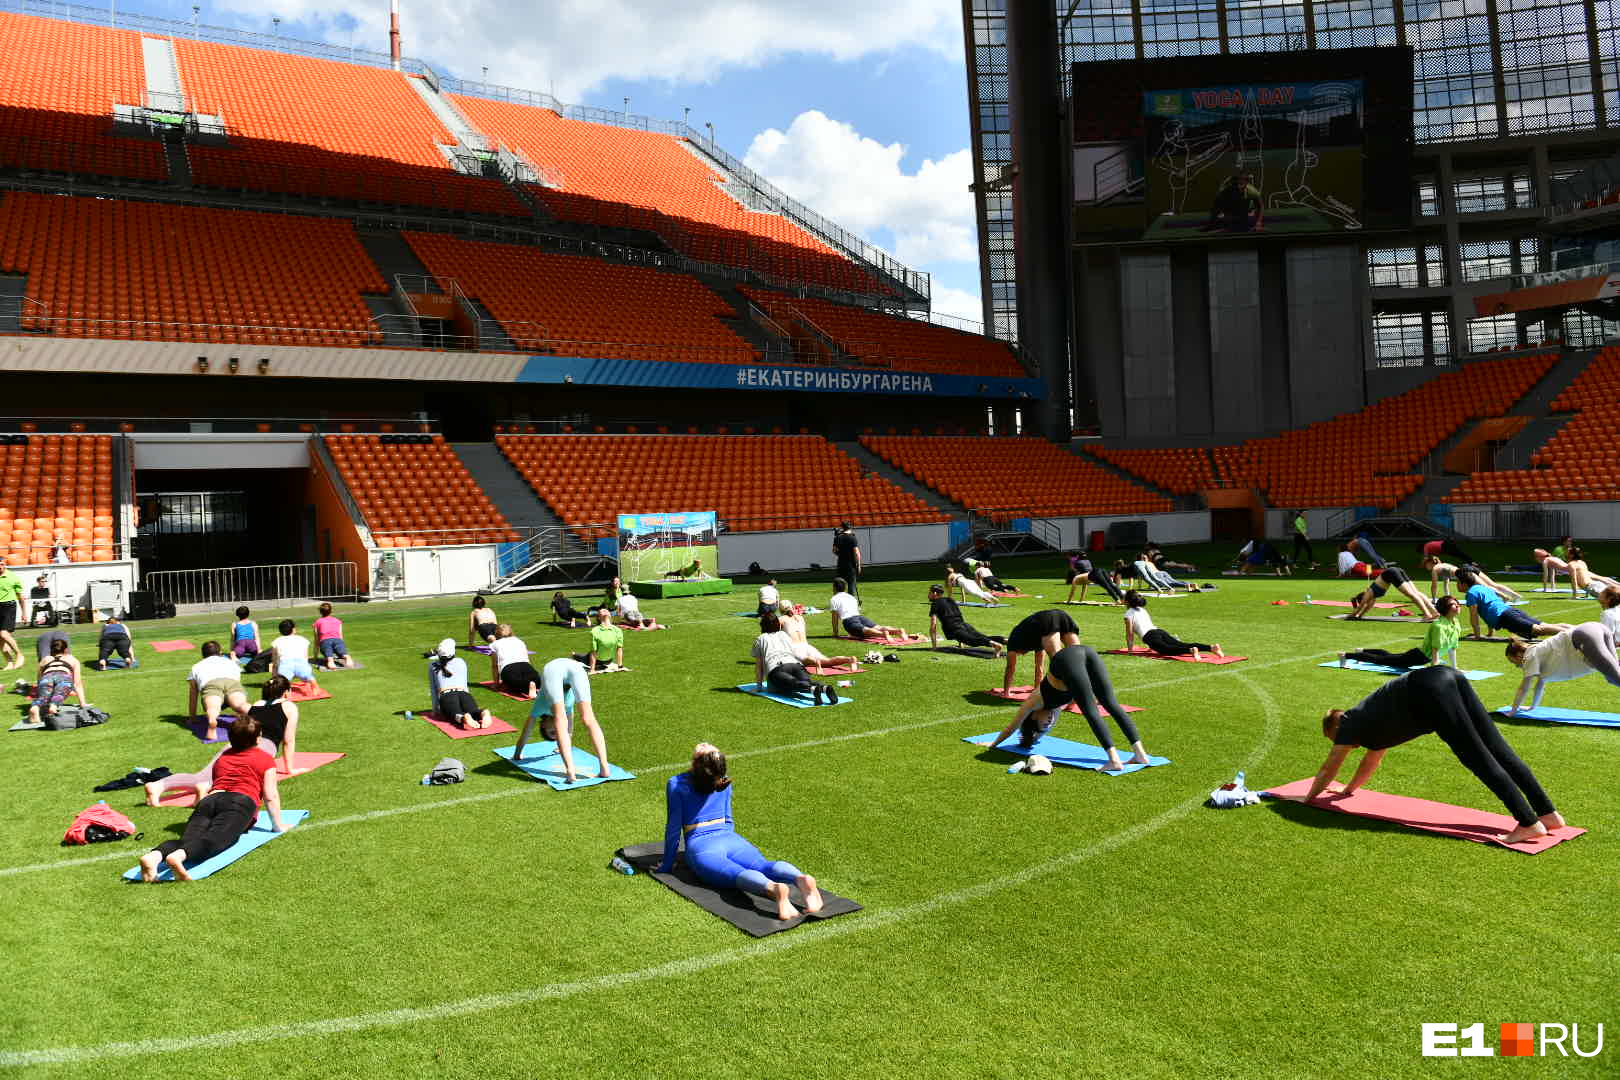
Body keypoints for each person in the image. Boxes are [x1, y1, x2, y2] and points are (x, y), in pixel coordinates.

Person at [1304, 666, 1568, 846]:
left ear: (1334, 727)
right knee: (1499, 750)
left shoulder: (1348, 723)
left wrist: (1307, 798)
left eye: (1333, 739)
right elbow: (1372, 761)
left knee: (1479, 758)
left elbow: (1329, 768)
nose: (1342, 746)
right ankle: (1548, 814)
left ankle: (1528, 822)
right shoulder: (1370, 726)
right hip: (1446, 675)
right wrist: (1348, 790)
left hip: (1427, 690)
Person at [658, 743, 824, 922]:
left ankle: (774, 889)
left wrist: (667, 866)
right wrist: (727, 838)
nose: (705, 743)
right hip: (731, 839)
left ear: (696, 763)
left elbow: (673, 830)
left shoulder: (676, 784)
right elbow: (728, 820)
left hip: (702, 847)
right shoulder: (723, 779)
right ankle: (799, 878)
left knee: (735, 873)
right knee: (762, 865)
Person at [136, 714, 286, 883]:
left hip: (209, 801)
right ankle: (177, 857)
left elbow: (217, 784)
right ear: (258, 739)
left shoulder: (223, 758)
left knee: (188, 841)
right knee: (215, 841)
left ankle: (154, 856)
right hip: (239, 803)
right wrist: (277, 826)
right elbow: (270, 795)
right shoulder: (265, 759)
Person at [981, 644, 1152, 772]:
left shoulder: (1032, 703)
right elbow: (1037, 731)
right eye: (1047, 726)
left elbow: (1011, 728)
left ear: (1033, 717)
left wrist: (993, 744)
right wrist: (1032, 738)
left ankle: (1114, 761)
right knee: (1109, 704)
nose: (1049, 722)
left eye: (1043, 724)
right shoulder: (1053, 711)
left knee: (1093, 710)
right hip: (1086, 653)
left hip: (1065, 660)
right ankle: (1140, 755)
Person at [511, 657, 613, 783]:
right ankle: (603, 768)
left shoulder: (538, 708)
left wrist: (517, 754)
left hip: (553, 669)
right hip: (575, 668)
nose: (555, 731)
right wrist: (562, 747)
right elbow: (568, 731)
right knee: (587, 718)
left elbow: (525, 734)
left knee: (567, 718)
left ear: (543, 725)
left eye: (552, 732)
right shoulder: (567, 710)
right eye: (556, 734)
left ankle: (575, 770)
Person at [1504, 623, 1620, 714]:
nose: (1516, 665)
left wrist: (1512, 711)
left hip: (1583, 635)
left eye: (1513, 661)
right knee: (1612, 677)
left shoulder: (1529, 657)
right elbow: (1539, 685)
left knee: (1615, 677)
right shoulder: (1538, 652)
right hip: (1596, 628)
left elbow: (1524, 688)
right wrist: (1532, 707)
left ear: (1518, 655)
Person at [1339, 595, 1462, 670]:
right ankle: (1346, 656)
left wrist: (1455, 667)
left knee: (1388, 656)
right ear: (1446, 608)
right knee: (1382, 660)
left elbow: (1452, 648)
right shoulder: (1439, 626)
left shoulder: (1455, 623)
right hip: (1417, 657)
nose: (1457, 606)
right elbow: (1435, 650)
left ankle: (1361, 651)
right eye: (1453, 605)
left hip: (1421, 657)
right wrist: (1434, 670)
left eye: (1458, 604)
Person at [754, 611, 837, 705]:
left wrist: (759, 687)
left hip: (777, 668)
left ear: (763, 625)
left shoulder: (760, 639)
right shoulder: (784, 635)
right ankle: (825, 688)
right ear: (778, 624)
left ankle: (813, 689)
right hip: (796, 665)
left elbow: (759, 667)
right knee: (806, 682)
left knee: (793, 684)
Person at [1459, 568, 1568, 640]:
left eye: (1458, 583)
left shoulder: (1471, 593)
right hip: (1510, 611)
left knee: (1538, 630)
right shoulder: (1482, 588)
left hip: (1506, 617)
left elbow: (1474, 617)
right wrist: (1490, 633)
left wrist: (1477, 636)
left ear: (1464, 584)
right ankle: (1575, 628)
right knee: (1543, 626)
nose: (1457, 585)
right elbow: (1487, 610)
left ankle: (1573, 632)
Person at [1121, 589, 1222, 660]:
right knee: (1181, 644)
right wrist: (1151, 646)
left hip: (1150, 636)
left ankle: (1191, 651)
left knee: (1166, 650)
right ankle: (1211, 647)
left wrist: (1130, 651)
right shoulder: (1142, 609)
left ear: (1127, 601)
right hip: (1159, 631)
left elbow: (1130, 634)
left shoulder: (1128, 614)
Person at [1001, 608, 1081, 694]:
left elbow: (1010, 668)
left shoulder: (1012, 642)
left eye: (1019, 654)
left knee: (1058, 661)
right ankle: (1085, 692)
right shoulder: (1036, 639)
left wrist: (1006, 692)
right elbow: (1039, 668)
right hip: (1062, 615)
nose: (1022, 655)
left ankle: (1065, 693)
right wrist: (1037, 689)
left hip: (1046, 620)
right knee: (1078, 660)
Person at [188, 641, 250, 741]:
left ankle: (212, 720)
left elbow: (193, 694)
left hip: (211, 685)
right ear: (220, 652)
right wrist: (239, 714)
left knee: (213, 707)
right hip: (232, 683)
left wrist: (192, 717)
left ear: (203, 654)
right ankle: (255, 714)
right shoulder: (230, 662)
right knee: (241, 704)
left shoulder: (196, 666)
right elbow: (238, 682)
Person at [427, 638, 493, 730]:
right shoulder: (461, 661)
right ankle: (483, 713)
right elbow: (465, 684)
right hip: (464, 693)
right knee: (474, 711)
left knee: (454, 715)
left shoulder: (433, 666)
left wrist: (435, 710)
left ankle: (463, 718)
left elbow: (433, 690)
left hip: (447, 695)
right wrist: (467, 698)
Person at [778, 601, 859, 675]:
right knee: (828, 661)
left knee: (804, 661)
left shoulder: (781, 619)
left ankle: (815, 662)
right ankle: (849, 659)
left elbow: (776, 636)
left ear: (780, 610)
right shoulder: (800, 618)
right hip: (806, 646)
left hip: (795, 647)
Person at [927, 584, 1007, 655]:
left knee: (972, 641)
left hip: (954, 629)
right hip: (964, 625)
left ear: (935, 593)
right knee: (983, 637)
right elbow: (956, 614)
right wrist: (960, 643)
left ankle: (995, 645)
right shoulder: (950, 600)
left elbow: (933, 626)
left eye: (929, 593)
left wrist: (934, 647)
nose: (928, 595)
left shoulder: (935, 604)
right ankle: (1005, 640)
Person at [27, 635, 88, 726]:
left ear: (51, 649)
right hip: (63, 677)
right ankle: (53, 706)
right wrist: (82, 703)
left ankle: (35, 707)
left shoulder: (45, 659)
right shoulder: (72, 659)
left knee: (43, 697)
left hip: (47, 677)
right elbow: (77, 683)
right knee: (59, 694)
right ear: (66, 649)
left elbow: (39, 681)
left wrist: (42, 696)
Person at [827, 578, 907, 641]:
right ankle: (897, 630)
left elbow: (835, 618)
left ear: (834, 587)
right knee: (878, 627)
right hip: (860, 617)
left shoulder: (834, 599)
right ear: (845, 588)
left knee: (865, 630)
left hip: (849, 620)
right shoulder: (851, 597)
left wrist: (835, 633)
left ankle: (883, 634)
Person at [1348, 566, 1439, 621]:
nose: (1366, 603)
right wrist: (1359, 616)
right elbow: (1366, 608)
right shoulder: (1372, 597)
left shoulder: (1368, 593)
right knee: (1416, 592)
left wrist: (1350, 616)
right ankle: (1434, 612)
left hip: (1391, 573)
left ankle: (1427, 614)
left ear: (1363, 597)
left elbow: (1361, 607)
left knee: (1411, 594)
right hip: (1396, 571)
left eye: (1364, 601)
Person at [1422, 555, 1521, 603]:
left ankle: (1504, 597)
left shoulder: (1435, 569)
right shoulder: (1443, 565)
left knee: (1485, 586)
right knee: (1492, 584)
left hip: (1464, 572)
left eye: (1426, 565)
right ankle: (1515, 595)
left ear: (1430, 563)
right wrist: (1448, 597)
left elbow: (1434, 586)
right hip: (1468, 568)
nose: (1426, 568)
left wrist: (1434, 600)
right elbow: (1446, 585)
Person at [488, 623, 539, 698]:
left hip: (509, 668)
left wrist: (496, 684)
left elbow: (495, 666)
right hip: (526, 666)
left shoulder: (495, 644)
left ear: (497, 634)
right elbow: (528, 660)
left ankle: (528, 686)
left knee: (513, 685)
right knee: (534, 678)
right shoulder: (519, 641)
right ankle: (534, 682)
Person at [270, 618, 319, 690]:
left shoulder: (277, 641)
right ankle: (313, 682)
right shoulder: (302, 639)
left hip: (285, 665)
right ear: (293, 629)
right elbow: (305, 657)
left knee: (283, 682)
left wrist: (274, 675)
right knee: (308, 676)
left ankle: (285, 692)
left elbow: (275, 660)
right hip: (302, 664)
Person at [312, 602, 354, 670]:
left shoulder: (317, 622)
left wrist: (315, 657)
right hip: (338, 640)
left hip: (325, 642)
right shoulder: (337, 621)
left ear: (320, 612)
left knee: (330, 658)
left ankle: (331, 661)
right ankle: (347, 657)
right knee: (343, 653)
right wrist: (342, 647)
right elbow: (340, 636)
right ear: (331, 611)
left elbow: (316, 641)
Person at [0, 556, 23, 670]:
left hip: (9, 606)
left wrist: (24, 612)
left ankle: (19, 654)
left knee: (4, 634)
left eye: (2, 564)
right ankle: (9, 662)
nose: (0, 567)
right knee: (0, 639)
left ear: (5, 564)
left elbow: (20, 596)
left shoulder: (12, 577)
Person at [586, 606, 625, 673]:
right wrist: (592, 669)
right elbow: (593, 651)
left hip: (609, 660)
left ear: (610, 615)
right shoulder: (595, 631)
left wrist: (620, 666)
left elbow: (619, 649)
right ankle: (575, 655)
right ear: (598, 617)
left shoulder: (618, 630)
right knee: (581, 658)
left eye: (606, 610)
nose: (605, 610)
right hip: (596, 659)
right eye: (602, 610)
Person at [832, 522, 861, 597]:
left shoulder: (838, 537)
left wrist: (841, 554)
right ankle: (851, 603)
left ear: (843, 528)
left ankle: (838, 601)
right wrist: (858, 565)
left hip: (841, 564)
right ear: (850, 528)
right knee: (851, 585)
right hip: (851, 565)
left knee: (839, 585)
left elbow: (834, 551)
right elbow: (857, 553)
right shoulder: (852, 537)